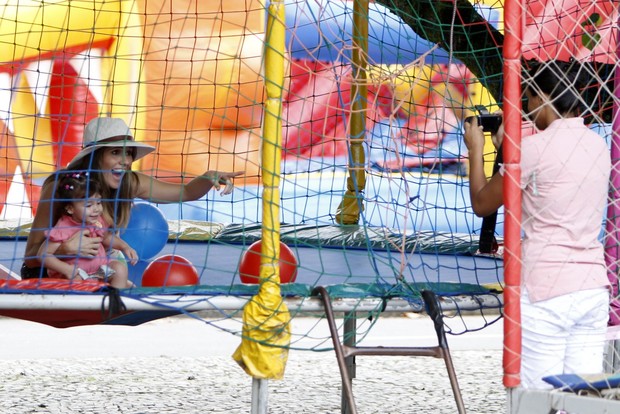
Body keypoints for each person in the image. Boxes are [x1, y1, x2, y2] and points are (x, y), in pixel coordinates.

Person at [463, 60, 611, 389]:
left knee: (537, 398)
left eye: (530, 98)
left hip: (547, 290)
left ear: (545, 98)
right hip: (591, 287)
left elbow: (482, 203)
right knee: (582, 399)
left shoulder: (530, 151)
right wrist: (510, 151)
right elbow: (550, 177)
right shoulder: (598, 146)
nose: (528, 108)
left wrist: (477, 150)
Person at [22, 116, 243, 280]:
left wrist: (207, 178)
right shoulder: (62, 187)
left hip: (95, 273)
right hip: (47, 276)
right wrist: (65, 249)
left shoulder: (130, 182)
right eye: (115, 152)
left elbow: (185, 192)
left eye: (128, 153)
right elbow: (31, 257)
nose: (125, 161)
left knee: (121, 274)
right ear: (95, 157)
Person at [38, 172, 137, 288]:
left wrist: (125, 247)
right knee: (75, 280)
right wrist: (66, 269)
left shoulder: (97, 221)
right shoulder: (63, 228)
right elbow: (43, 255)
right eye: (88, 205)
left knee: (119, 269)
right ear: (70, 209)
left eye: (99, 203)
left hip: (99, 271)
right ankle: (85, 304)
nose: (96, 209)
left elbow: (106, 237)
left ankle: (114, 300)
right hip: (75, 274)